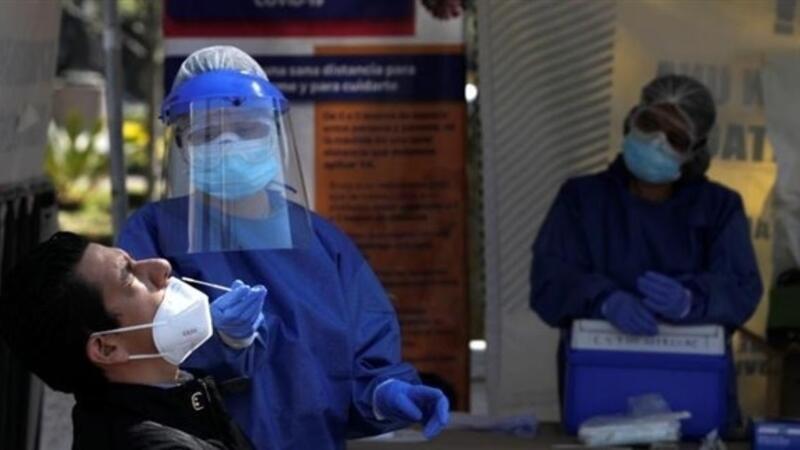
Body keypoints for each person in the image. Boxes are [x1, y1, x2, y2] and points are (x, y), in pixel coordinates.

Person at [118, 45, 449, 450]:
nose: (229, 143)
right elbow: (129, 351)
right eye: (207, 133)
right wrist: (214, 339)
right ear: (183, 148)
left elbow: (362, 359)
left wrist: (385, 392)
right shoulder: (153, 234)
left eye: (247, 128)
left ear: (275, 133)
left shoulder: (324, 244)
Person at [530, 75, 762, 427]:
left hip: (695, 393)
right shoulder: (582, 199)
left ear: (695, 150)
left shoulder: (718, 208)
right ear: (632, 119)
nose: (657, 141)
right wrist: (603, 300)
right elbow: (550, 280)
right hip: (600, 390)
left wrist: (692, 301)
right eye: (650, 124)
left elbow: (741, 288)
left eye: (676, 138)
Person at [0, 232, 259, 449]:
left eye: (133, 260)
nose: (161, 266)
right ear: (106, 348)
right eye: (129, 275)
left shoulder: (153, 408)